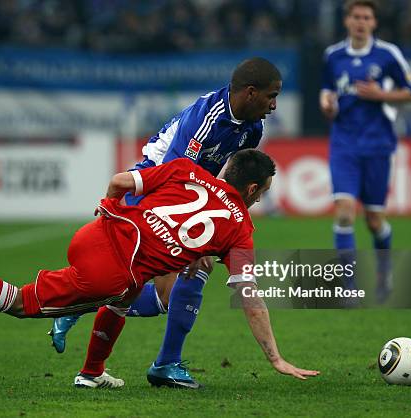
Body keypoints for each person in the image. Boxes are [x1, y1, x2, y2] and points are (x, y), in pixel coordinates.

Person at [0, 150, 319, 389]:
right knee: (21, 303)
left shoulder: (188, 169)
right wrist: (276, 358)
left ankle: (91, 373)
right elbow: (249, 295)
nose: (262, 198)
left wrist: (108, 211)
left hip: (99, 231)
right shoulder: (241, 229)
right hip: (111, 270)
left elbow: (118, 181)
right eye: (263, 191)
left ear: (225, 169)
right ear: (251, 189)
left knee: (126, 294)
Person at [50, 57, 283, 388]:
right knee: (174, 274)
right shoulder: (207, 118)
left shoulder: (253, 129)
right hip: (152, 187)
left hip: (191, 199)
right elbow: (175, 173)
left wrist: (217, 223)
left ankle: (84, 315)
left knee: (164, 295)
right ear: (249, 92)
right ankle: (162, 361)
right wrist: (197, 235)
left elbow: (226, 178)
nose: (274, 105)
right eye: (271, 96)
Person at [319, 0, 411, 302]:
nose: (361, 22)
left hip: (377, 145)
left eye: (366, 17)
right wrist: (326, 104)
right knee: (345, 212)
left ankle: (384, 271)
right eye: (356, 17)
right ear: (347, 21)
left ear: (374, 23)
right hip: (344, 144)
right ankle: (348, 286)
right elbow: (327, 90)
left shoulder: (388, 55)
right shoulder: (333, 56)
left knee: (374, 220)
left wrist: (381, 95)